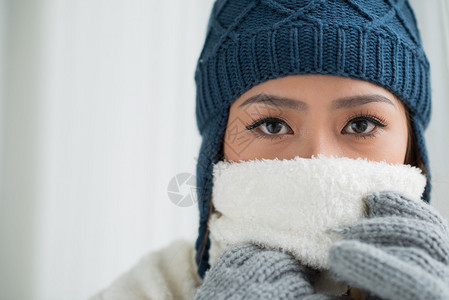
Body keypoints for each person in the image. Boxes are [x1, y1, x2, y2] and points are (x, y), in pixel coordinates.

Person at [89, 0, 449, 299]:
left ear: (413, 149)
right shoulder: (152, 289)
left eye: (361, 125)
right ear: (215, 152)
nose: (318, 163)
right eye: (272, 125)